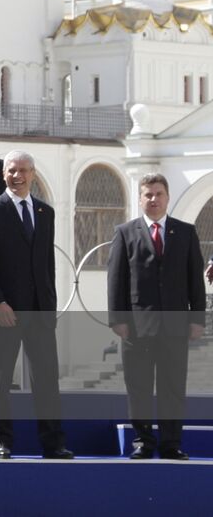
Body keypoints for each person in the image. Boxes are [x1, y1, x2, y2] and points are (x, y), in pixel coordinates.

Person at [0, 150, 71, 459]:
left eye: (24, 170)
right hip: (4, 312)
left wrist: (49, 306)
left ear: (33, 173)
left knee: (46, 380)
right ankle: (2, 441)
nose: (18, 175)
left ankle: (53, 444)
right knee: (0, 379)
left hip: (39, 312)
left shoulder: (45, 212)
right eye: (12, 170)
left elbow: (46, 265)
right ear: (3, 174)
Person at [107, 173, 206, 460]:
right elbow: (116, 279)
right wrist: (118, 320)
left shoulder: (185, 233)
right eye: (148, 194)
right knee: (138, 388)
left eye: (159, 194)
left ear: (167, 197)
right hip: (137, 328)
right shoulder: (125, 232)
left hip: (175, 327)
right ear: (140, 199)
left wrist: (197, 318)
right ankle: (143, 442)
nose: (154, 199)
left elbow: (194, 280)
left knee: (172, 388)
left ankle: (171, 444)